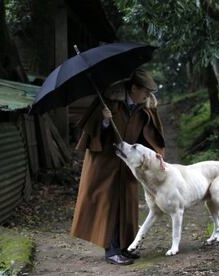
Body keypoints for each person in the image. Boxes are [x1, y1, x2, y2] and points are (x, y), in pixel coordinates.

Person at [71, 68, 165, 265]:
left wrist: (152, 157)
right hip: (105, 163)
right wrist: (105, 120)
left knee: (127, 205)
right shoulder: (109, 103)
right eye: (145, 91)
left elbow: (149, 136)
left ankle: (125, 247)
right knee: (109, 205)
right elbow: (91, 132)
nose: (149, 95)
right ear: (133, 88)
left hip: (129, 165)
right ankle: (112, 251)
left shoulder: (143, 109)